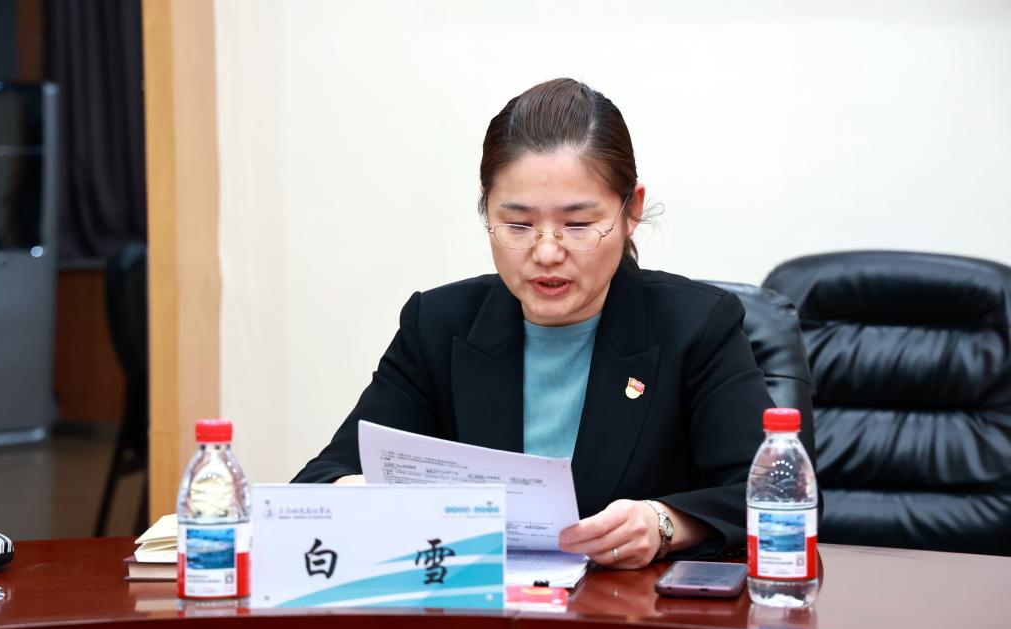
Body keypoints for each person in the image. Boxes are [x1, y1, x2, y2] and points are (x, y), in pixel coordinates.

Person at [293, 78, 776, 567]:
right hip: (481, 603)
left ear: (631, 210)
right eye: (519, 225)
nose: (546, 253)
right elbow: (322, 478)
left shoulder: (695, 327)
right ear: (486, 208)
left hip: (630, 607)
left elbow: (773, 494)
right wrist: (362, 496)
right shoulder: (439, 326)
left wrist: (665, 523)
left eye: (578, 225)